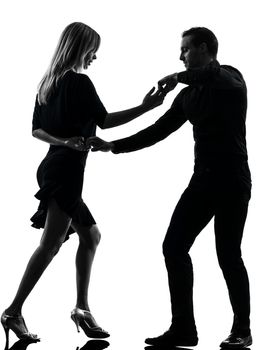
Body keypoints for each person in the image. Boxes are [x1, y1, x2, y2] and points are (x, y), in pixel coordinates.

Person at [1, 22, 166, 347]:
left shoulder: (47, 84)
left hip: (52, 167)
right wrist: (147, 107)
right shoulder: (78, 82)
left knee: (90, 235)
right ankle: (13, 310)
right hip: (65, 173)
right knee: (51, 244)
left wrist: (63, 141)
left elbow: (35, 131)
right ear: (81, 48)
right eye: (93, 50)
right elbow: (104, 121)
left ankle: (81, 309)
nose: (94, 57)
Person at [88, 27, 252, 349]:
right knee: (174, 247)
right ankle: (183, 330)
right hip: (203, 181)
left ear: (205, 48)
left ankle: (242, 331)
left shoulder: (230, 78)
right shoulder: (188, 97)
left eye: (186, 49)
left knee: (228, 254)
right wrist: (113, 146)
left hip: (233, 181)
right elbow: (157, 131)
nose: (181, 56)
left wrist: (178, 76)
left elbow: (214, 74)